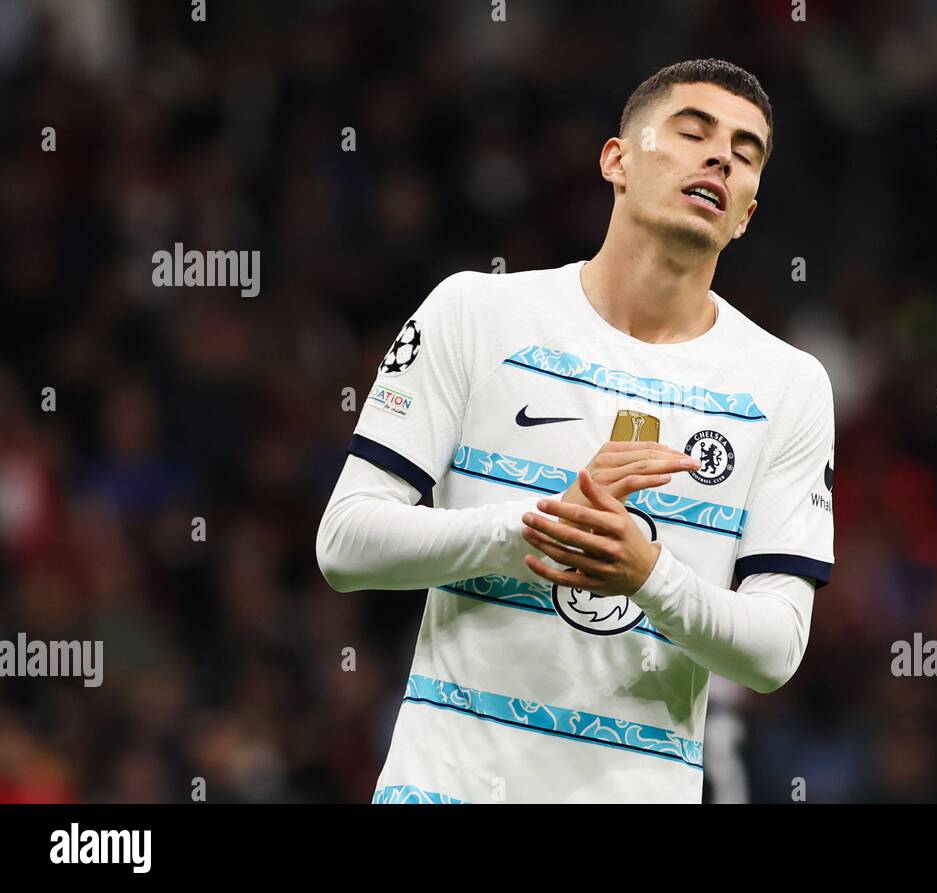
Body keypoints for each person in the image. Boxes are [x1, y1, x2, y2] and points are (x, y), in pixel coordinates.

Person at [316, 59, 836, 803]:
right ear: (616, 160)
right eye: (694, 132)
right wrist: (531, 531)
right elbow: (345, 542)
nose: (720, 155)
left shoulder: (786, 385)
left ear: (747, 211)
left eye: (745, 153)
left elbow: (775, 648)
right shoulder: (476, 314)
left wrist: (649, 577)